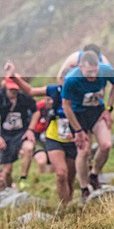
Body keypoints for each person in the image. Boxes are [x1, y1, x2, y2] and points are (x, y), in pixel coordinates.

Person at [5, 62, 75, 205]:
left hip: (75, 137)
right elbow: (31, 91)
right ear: (60, 80)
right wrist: (14, 77)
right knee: (61, 173)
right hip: (54, 136)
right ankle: (65, 207)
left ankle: (71, 201)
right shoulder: (54, 90)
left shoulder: (80, 91)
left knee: (70, 175)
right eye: (64, 82)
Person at [61, 50, 114, 202]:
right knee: (84, 150)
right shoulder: (71, 79)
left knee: (106, 145)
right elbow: (66, 106)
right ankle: (83, 187)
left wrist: (109, 108)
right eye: (88, 72)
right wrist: (78, 130)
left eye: (95, 72)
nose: (93, 76)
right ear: (80, 67)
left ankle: (94, 175)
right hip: (77, 115)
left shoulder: (104, 70)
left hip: (97, 112)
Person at [0, 77, 38, 190]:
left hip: (20, 132)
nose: (14, 92)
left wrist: (30, 129)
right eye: (11, 89)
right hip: (4, 134)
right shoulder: (1, 97)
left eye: (16, 89)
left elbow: (36, 111)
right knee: (7, 170)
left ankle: (23, 178)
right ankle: (8, 189)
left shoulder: (23, 97)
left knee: (29, 147)